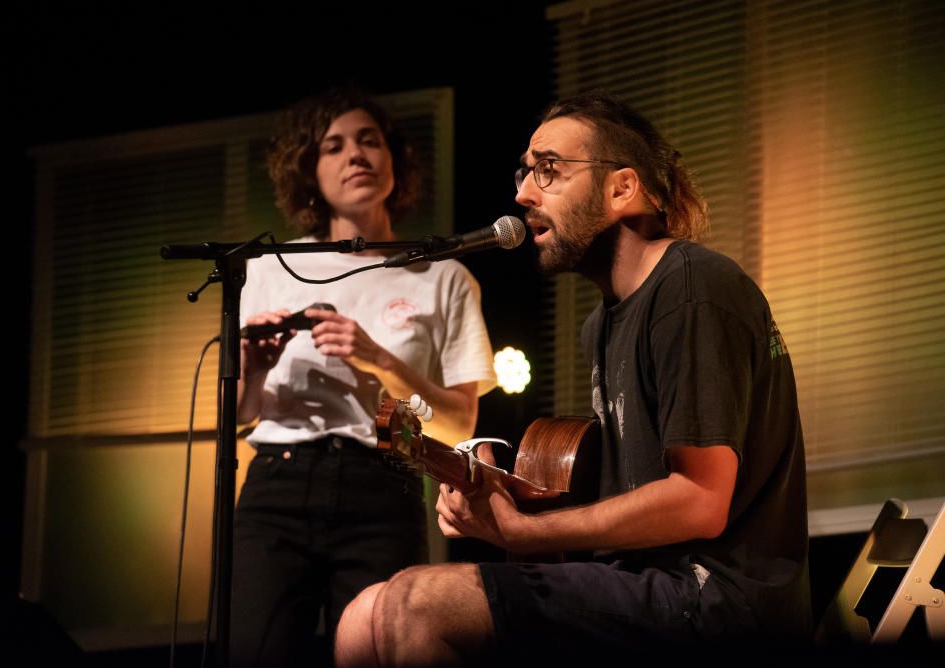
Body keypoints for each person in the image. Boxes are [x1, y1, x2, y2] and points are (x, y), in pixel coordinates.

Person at [334, 89, 811, 666]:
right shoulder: (601, 324)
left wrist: (522, 534)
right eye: (525, 172)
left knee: (415, 601)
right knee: (363, 615)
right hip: (643, 583)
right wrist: (502, 495)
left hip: (717, 601)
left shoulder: (692, 289)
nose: (522, 193)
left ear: (621, 188)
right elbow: (624, 496)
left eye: (549, 171)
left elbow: (699, 501)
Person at [231, 88, 497, 667]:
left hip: (383, 484)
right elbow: (237, 414)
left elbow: (457, 424)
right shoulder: (270, 267)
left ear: (395, 162)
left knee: (378, 650)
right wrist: (254, 368)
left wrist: (379, 358)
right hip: (278, 485)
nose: (356, 155)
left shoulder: (443, 276)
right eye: (335, 146)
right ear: (311, 172)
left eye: (369, 141)